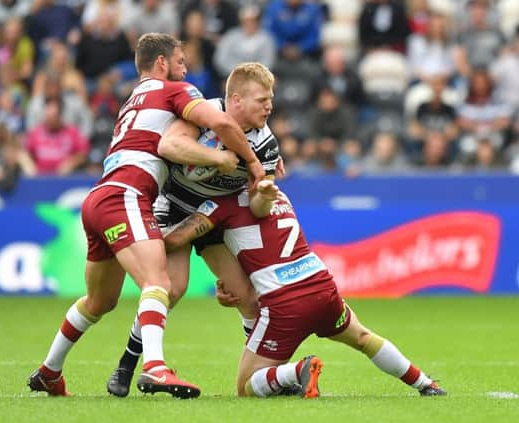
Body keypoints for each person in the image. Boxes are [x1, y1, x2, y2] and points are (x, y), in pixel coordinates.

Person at [27, 32, 264, 398]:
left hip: (99, 197)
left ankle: (49, 370)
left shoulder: (133, 100)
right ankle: (154, 368)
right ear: (162, 63)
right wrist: (250, 163)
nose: (186, 70)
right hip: (127, 195)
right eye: (181, 62)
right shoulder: (173, 91)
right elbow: (221, 124)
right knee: (159, 283)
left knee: (99, 301)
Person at [161, 180, 448, 398]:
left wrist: (137, 234)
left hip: (286, 302)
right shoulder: (280, 195)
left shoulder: (221, 206)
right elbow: (262, 241)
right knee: (362, 337)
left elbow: (176, 240)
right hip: (322, 286)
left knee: (246, 386)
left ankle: (296, 371)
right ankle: (425, 383)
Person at [107, 62, 281, 397]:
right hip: (172, 205)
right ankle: (126, 365)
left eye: (270, 99)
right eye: (262, 99)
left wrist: (263, 196)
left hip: (215, 215)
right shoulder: (204, 114)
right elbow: (169, 147)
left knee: (246, 296)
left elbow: (260, 208)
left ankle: (262, 372)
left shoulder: (267, 144)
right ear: (236, 100)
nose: (269, 106)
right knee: (172, 289)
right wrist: (216, 158)